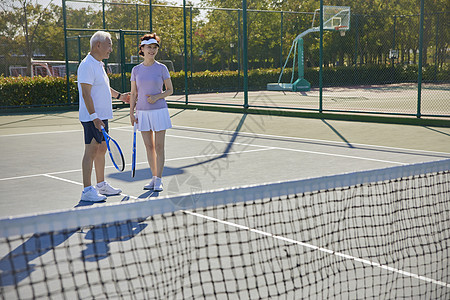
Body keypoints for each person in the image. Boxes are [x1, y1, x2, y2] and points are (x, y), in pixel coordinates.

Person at [78, 31, 127, 202]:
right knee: (91, 151)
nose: (111, 49)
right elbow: (86, 94)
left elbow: (105, 87)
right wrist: (94, 117)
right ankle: (87, 191)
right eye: (109, 44)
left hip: (102, 116)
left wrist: (120, 96)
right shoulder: (86, 65)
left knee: (102, 150)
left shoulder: (99, 64)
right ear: (98, 45)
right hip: (93, 117)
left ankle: (101, 185)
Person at [129, 33, 173, 192]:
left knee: (159, 147)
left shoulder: (162, 68)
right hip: (142, 113)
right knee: (149, 147)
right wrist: (131, 113)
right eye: (149, 47)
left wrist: (156, 97)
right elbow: (133, 93)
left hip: (159, 111)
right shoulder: (136, 70)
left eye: (155, 47)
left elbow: (170, 90)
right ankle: (153, 177)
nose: (152, 50)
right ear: (142, 49)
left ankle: (159, 179)